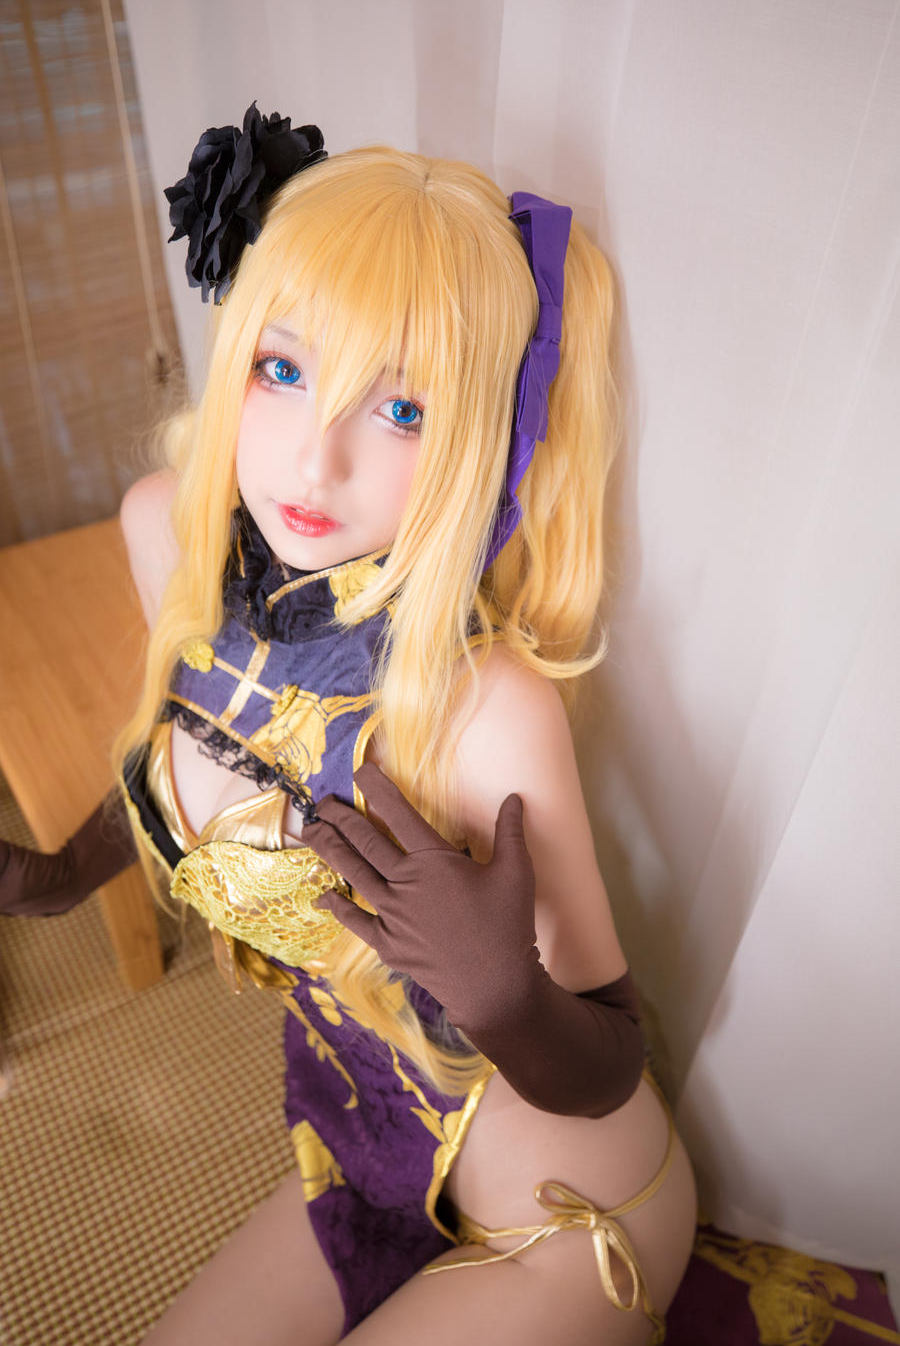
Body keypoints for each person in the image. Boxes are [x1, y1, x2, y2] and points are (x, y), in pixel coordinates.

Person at [1, 106, 696, 1344]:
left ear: (477, 437)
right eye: (284, 370)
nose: (312, 463)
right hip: (360, 1136)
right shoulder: (166, 532)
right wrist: (59, 876)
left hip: (565, 1205)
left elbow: (606, 1068)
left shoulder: (484, 703)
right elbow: (209, 745)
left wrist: (505, 996)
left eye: (402, 410)